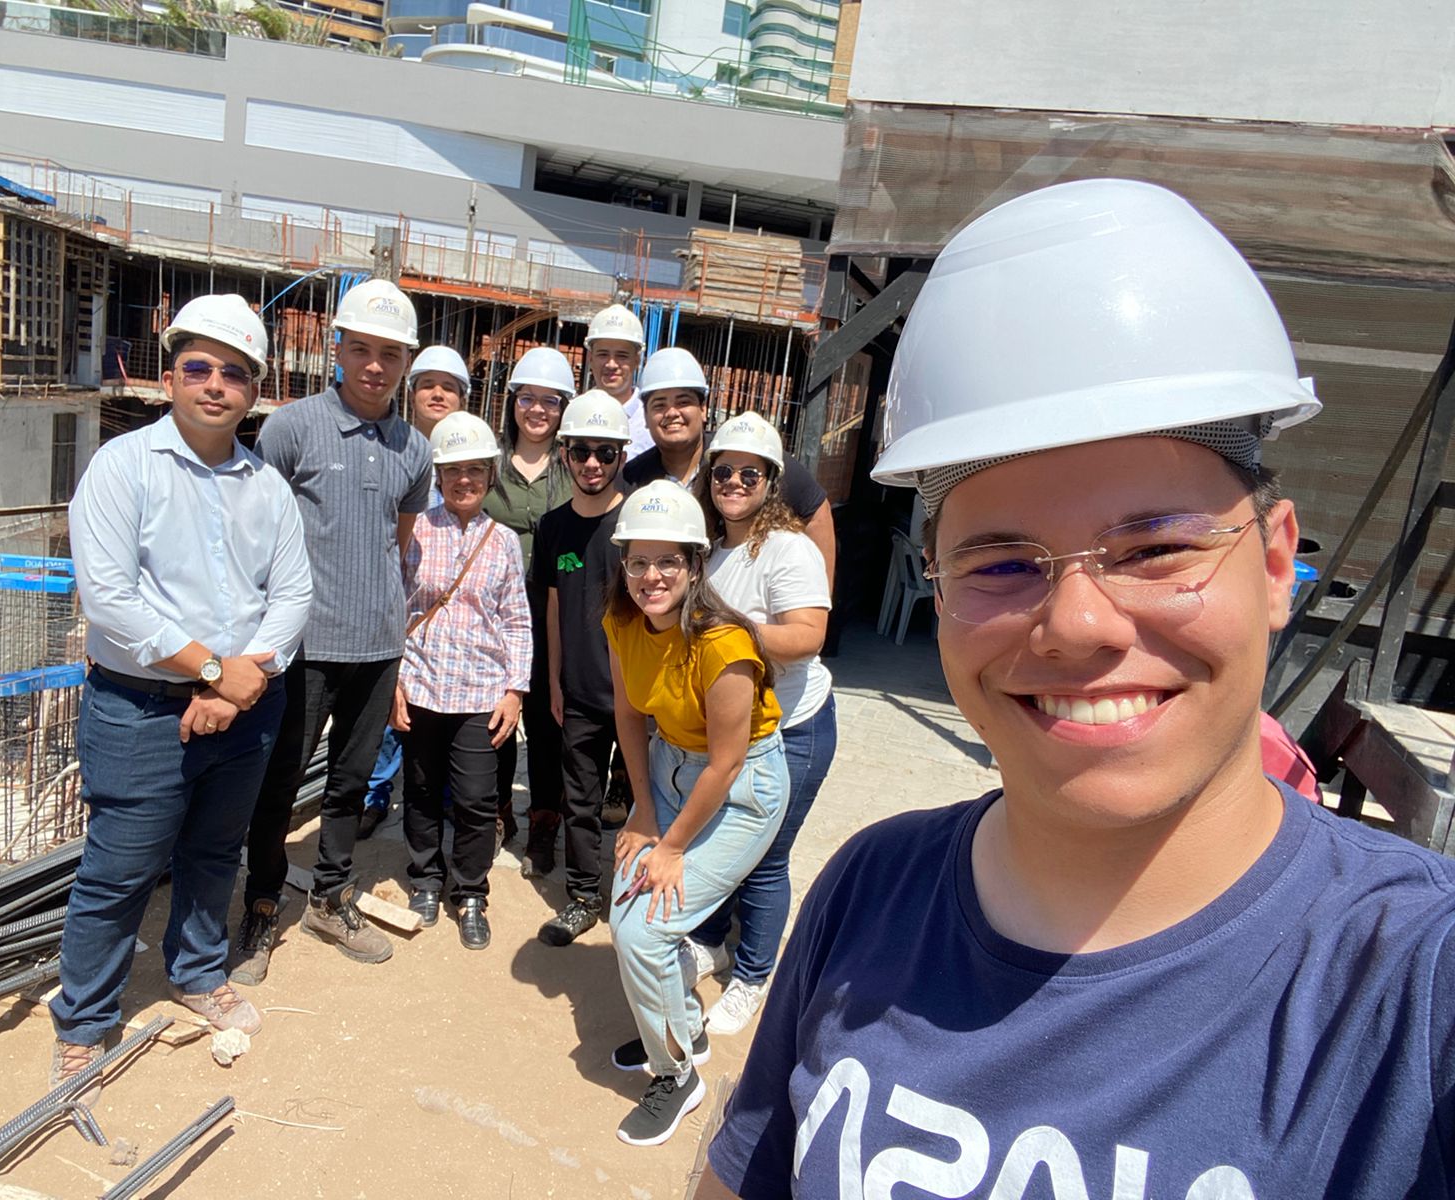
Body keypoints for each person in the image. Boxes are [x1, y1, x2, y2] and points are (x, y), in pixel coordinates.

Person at [699, 180, 1455, 1198]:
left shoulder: (1406, 990)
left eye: (1154, 547)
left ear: (1277, 566)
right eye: (1000, 562)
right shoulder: (872, 891)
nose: (1076, 624)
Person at [54, 294, 312, 1098]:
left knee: (211, 851)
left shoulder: (266, 487)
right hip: (140, 709)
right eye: (198, 367)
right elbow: (109, 597)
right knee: (120, 869)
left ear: (254, 390)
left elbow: (293, 595)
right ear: (170, 376)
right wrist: (211, 670)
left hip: (243, 708)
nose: (215, 384)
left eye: (234, 372)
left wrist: (238, 686)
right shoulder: (123, 466)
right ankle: (85, 1021)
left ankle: (197, 973)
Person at [231, 278, 431, 983]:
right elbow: (260, 534)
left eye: (391, 354)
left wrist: (393, 630)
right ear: (336, 348)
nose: (375, 365)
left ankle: (329, 895)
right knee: (279, 783)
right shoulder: (291, 428)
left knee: (347, 785)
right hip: (305, 645)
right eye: (363, 349)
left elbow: (397, 544)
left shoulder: (413, 448)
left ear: (407, 362)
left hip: (378, 645)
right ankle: (261, 902)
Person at [603, 480, 789, 1148]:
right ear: (623, 564)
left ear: (693, 565)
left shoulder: (725, 645)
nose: (651, 577)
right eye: (638, 562)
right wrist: (644, 813)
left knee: (644, 931)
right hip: (668, 774)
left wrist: (673, 845)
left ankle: (676, 1073)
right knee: (627, 909)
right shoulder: (622, 620)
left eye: (668, 562)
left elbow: (727, 763)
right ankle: (679, 1029)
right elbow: (628, 713)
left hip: (739, 790)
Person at [685, 412, 836, 1037]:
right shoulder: (711, 551)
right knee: (725, 843)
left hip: (795, 728)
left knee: (767, 859)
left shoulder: (787, 548)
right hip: (736, 732)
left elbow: (808, 635)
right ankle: (714, 940)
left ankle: (751, 975)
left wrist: (735, 635)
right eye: (724, 472)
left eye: (750, 473)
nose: (735, 482)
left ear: (771, 481)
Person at [395, 412, 532, 951]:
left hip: (480, 692)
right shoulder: (416, 529)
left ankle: (470, 892)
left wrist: (515, 689)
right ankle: (426, 880)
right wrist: (395, 685)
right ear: (439, 474)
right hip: (422, 684)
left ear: (490, 474)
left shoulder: (502, 541)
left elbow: (517, 619)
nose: (464, 480)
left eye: (475, 470)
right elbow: (396, 607)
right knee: (422, 792)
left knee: (477, 800)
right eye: (453, 470)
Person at [531, 390, 632, 945]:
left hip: (637, 696)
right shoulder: (552, 529)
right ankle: (583, 896)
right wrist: (553, 681)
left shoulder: (639, 518)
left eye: (606, 452)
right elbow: (552, 605)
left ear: (621, 454)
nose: (593, 463)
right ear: (564, 455)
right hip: (579, 694)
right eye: (581, 452)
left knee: (646, 802)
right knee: (581, 802)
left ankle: (637, 899)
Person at [359, 344, 471, 841]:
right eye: (428, 385)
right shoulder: (393, 448)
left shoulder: (468, 452)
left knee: (444, 711)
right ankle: (376, 794)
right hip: (393, 600)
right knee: (390, 707)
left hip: (448, 610)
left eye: (448, 387)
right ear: (412, 391)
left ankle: (442, 796)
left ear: (463, 397)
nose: (438, 395)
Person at [622, 347, 836, 590]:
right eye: (659, 405)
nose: (672, 413)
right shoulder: (634, 479)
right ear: (646, 416)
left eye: (683, 402)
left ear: (702, 409)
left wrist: (819, 600)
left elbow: (816, 511)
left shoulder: (742, 454)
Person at [483, 347, 574, 860]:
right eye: (528, 398)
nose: (538, 410)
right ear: (512, 401)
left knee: (546, 721)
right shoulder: (491, 463)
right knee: (495, 719)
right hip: (492, 617)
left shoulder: (573, 465)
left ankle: (545, 816)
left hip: (552, 615)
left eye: (550, 401)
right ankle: (496, 811)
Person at [586, 303, 654, 458]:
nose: (611, 364)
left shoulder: (651, 422)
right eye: (603, 354)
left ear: (636, 361)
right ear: (590, 358)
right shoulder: (574, 412)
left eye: (622, 356)